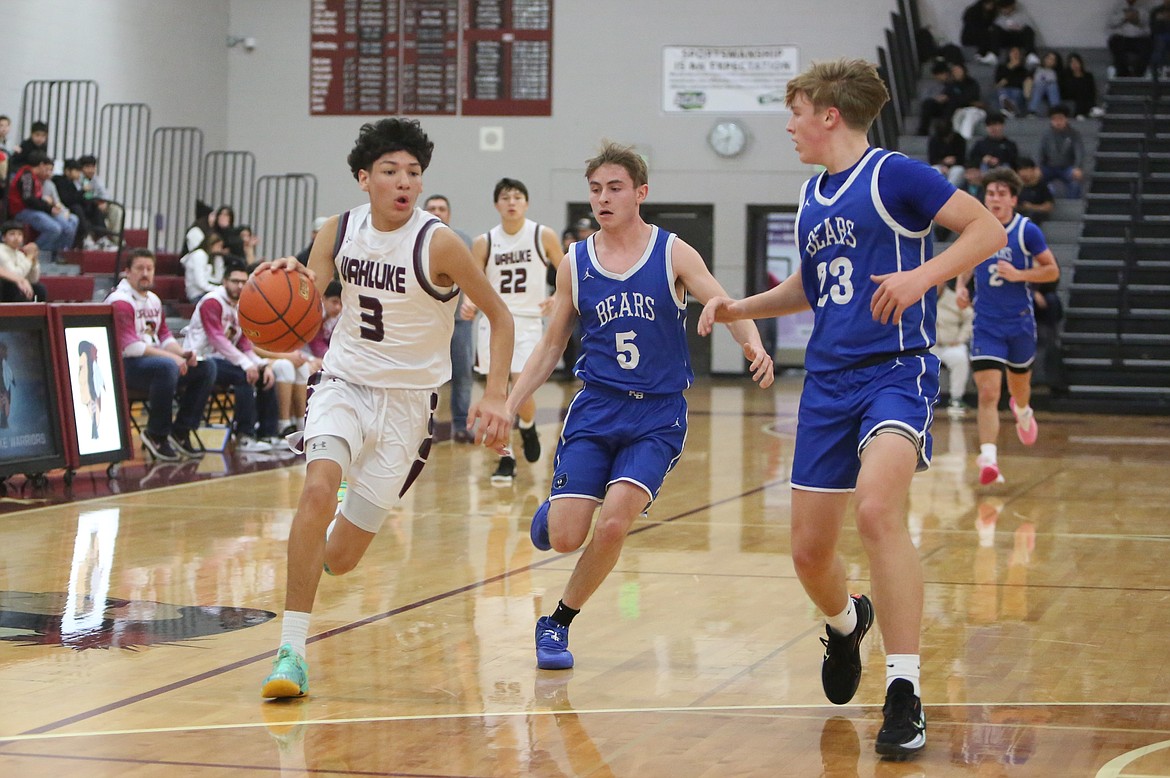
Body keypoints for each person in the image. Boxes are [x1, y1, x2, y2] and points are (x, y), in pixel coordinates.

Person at [696, 58, 1006, 758]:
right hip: (828, 384)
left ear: (829, 114)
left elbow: (985, 230)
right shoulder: (812, 195)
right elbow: (811, 287)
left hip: (897, 371)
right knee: (809, 554)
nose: (790, 125)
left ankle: (904, 689)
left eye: (796, 111)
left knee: (875, 509)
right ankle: (845, 623)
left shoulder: (894, 174)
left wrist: (923, 274)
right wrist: (738, 305)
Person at [257, 117, 515, 699]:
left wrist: (495, 393)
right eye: (391, 171)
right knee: (318, 490)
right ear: (363, 178)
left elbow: (498, 317)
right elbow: (305, 298)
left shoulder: (439, 241)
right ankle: (290, 653)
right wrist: (283, 278)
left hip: (408, 408)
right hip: (343, 382)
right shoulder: (338, 229)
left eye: (414, 173)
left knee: (342, 559)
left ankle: (317, 549)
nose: (405, 182)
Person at [512, 140, 772, 675]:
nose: (603, 199)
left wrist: (753, 343)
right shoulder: (576, 262)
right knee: (565, 537)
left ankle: (557, 621)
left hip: (656, 415)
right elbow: (552, 344)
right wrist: (508, 403)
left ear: (640, 193)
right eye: (595, 190)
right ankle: (556, 514)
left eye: (614, 188)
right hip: (596, 408)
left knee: (614, 524)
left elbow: (721, 300)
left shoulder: (672, 251)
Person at [955, 168, 1059, 486]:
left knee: (1019, 389)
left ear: (1013, 199)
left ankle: (1023, 410)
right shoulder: (976, 230)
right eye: (990, 193)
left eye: (1002, 193)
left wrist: (1020, 275)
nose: (995, 198)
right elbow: (965, 261)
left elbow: (1052, 271)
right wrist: (961, 286)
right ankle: (989, 457)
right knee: (987, 392)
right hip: (986, 324)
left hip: (1019, 324)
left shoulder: (1027, 232)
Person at [463, 177, 565, 483]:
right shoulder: (485, 241)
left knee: (521, 387)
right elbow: (472, 279)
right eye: (505, 197)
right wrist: (468, 302)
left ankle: (528, 425)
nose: (511, 202)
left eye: (517, 197)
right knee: (497, 393)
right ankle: (505, 458)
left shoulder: (542, 235)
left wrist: (558, 296)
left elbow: (566, 270)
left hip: (528, 320)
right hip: (493, 321)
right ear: (497, 204)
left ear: (526, 203)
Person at [106, 248, 217, 461]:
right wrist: (171, 359)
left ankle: (181, 430)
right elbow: (132, 348)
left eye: (149, 268)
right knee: (167, 368)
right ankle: (156, 434)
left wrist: (183, 353)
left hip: (152, 363)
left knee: (206, 368)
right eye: (139, 268)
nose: (145, 273)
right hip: (124, 365)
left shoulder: (154, 300)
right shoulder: (120, 301)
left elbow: (164, 336)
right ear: (127, 272)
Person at [183, 257, 281, 452]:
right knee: (245, 375)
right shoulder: (213, 301)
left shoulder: (242, 306)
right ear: (224, 281)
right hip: (202, 359)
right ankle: (244, 435)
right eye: (235, 281)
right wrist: (247, 365)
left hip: (225, 361)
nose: (239, 286)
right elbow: (217, 339)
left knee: (266, 374)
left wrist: (261, 364)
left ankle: (268, 433)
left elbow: (244, 343)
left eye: (243, 282)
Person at [423, 193, 476, 443]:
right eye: (432, 208)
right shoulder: (414, 240)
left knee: (463, 374)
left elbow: (478, 277)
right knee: (424, 376)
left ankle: (460, 426)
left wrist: (472, 301)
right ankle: (423, 426)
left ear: (449, 214)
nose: (437, 212)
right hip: (425, 322)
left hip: (459, 321)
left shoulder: (464, 240)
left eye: (441, 208)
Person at [8, 151, 78, 262]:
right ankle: (34, 254)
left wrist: (50, 207)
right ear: (41, 165)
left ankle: (58, 254)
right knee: (54, 229)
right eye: (47, 169)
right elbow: (28, 199)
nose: (48, 172)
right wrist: (49, 208)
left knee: (67, 226)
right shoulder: (26, 175)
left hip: (35, 208)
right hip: (22, 210)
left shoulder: (36, 178)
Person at [933, 280, 974, 417]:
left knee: (960, 358)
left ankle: (956, 399)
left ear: (943, 282)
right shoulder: (922, 296)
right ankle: (923, 398)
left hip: (950, 344)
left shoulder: (955, 297)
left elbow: (971, 317)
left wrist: (961, 338)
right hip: (929, 345)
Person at [1036, 105, 1085, 198]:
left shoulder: (1074, 134)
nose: (1058, 122)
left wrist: (1077, 167)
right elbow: (1041, 153)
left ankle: (1072, 204)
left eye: (1060, 119)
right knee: (1035, 177)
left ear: (1066, 119)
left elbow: (1079, 152)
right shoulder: (1046, 135)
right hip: (1049, 167)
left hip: (1067, 167)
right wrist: (1038, 167)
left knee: (1075, 181)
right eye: (1055, 119)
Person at [0, 220, 46, 302]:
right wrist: (29, 258)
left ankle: (37, 313)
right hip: (5, 288)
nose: (16, 237)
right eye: (12, 234)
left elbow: (33, 279)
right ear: (3, 237)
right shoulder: (1, 251)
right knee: (15, 287)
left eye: (20, 234)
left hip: (16, 284)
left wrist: (34, 261)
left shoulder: (19, 254)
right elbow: (15, 274)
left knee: (39, 288)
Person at [1107, 0, 1152, 78]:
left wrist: (1136, 18)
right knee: (1113, 41)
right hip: (1122, 37)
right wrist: (1124, 16)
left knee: (1148, 45)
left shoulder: (1145, 5)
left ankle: (1138, 74)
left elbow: (1146, 22)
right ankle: (1123, 74)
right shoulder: (1118, 5)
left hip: (1140, 37)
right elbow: (1111, 23)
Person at [181, 232, 226, 303]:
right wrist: (217, 289)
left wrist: (218, 259)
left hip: (209, 292)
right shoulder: (199, 255)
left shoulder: (213, 257)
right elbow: (200, 283)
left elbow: (218, 279)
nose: (220, 249)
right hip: (197, 294)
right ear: (211, 244)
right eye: (218, 246)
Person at [927, 119, 968, 187]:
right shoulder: (934, 140)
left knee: (959, 171)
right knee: (935, 170)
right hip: (939, 165)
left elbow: (962, 159)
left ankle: (949, 192)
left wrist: (954, 162)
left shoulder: (959, 139)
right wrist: (943, 162)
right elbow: (932, 159)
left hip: (955, 166)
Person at [1015, 157, 1054, 223]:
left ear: (1033, 170)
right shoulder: (1016, 187)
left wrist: (1031, 207)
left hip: (1036, 215)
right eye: (1021, 170)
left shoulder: (1042, 186)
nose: (1023, 173)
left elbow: (1048, 207)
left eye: (1026, 169)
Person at [994, 46, 1030, 116]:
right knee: (1003, 93)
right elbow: (999, 81)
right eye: (1013, 52)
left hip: (1016, 89)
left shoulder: (1023, 70)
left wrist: (1014, 68)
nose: (1015, 54)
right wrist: (1011, 70)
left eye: (1017, 53)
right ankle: (1011, 110)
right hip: (1003, 88)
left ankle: (1008, 110)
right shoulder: (1001, 67)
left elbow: (1019, 83)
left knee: (1015, 93)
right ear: (1009, 54)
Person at [1026, 51, 1063, 117]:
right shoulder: (1036, 69)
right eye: (1048, 58)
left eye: (1052, 59)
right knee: (1040, 85)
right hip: (1037, 88)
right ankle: (1032, 111)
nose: (1049, 61)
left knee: (1052, 86)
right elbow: (1029, 79)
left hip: (1051, 90)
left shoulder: (1057, 72)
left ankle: (1056, 111)